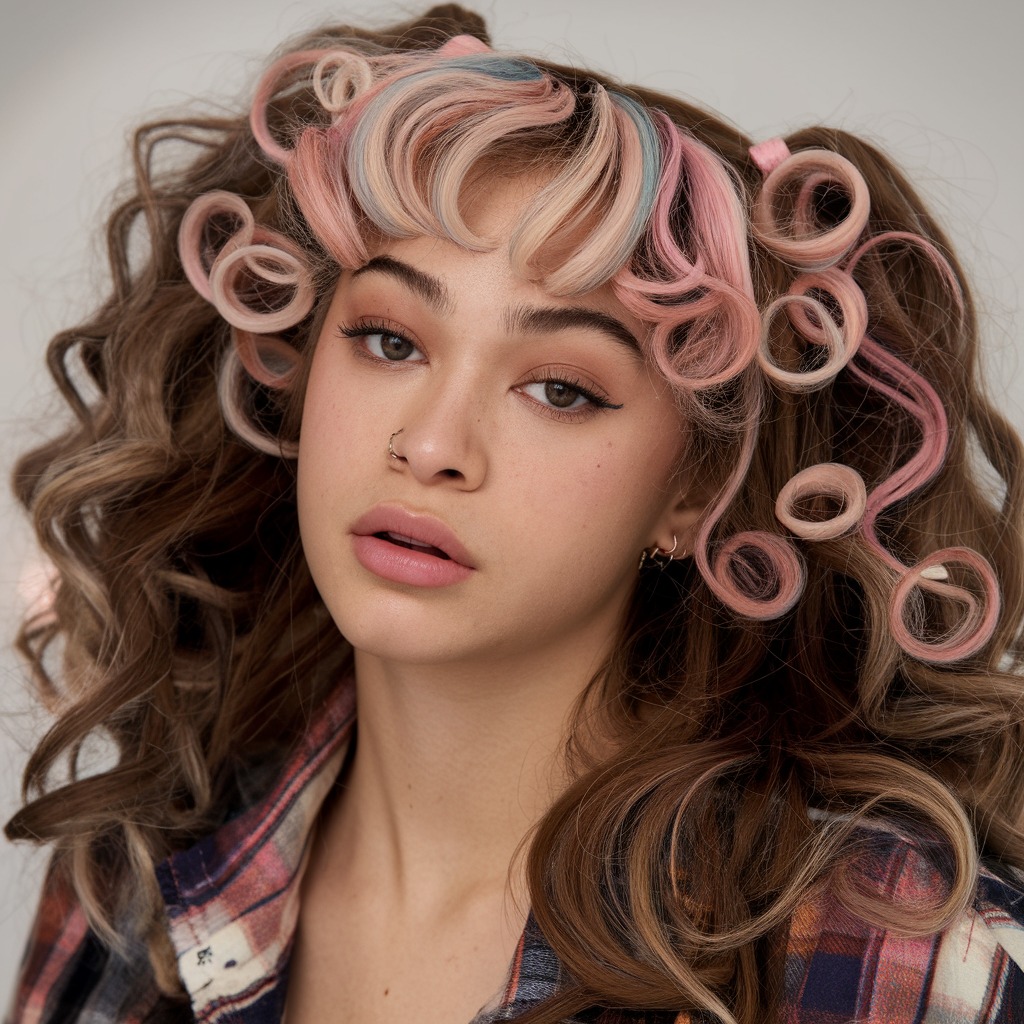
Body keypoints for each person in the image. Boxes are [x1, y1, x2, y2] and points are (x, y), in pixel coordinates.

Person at [5, 4, 1024, 1022]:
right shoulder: (130, 880)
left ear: (694, 494)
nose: (434, 445)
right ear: (301, 360)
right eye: (390, 340)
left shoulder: (897, 951)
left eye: (561, 389)